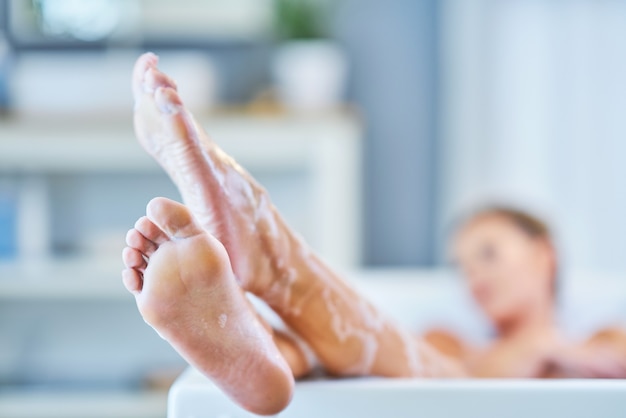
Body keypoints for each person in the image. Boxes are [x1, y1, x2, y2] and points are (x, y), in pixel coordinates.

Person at [121, 53, 463, 416]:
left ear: (535, 255)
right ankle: (260, 343)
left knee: (424, 362)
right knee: (315, 348)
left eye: (490, 253)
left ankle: (277, 272)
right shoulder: (453, 331)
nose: (474, 275)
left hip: (448, 379)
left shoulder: (524, 342)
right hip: (370, 358)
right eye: (464, 262)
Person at [424, 207, 626, 378]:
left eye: (488, 253)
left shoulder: (608, 340)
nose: (472, 272)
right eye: (460, 266)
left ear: (543, 255)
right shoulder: (445, 346)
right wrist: (537, 347)